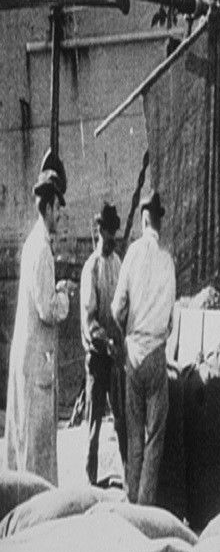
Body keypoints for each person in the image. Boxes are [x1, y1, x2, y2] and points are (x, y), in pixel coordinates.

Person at [4, 169, 70, 485]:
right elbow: (47, 308)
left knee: (23, 444)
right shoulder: (42, 249)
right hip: (36, 365)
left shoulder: (33, 244)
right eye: (57, 208)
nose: (60, 215)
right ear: (48, 207)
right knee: (36, 452)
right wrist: (64, 296)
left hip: (28, 358)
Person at [111, 191, 176, 505]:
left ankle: (131, 500)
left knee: (134, 434)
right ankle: (146, 503)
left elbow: (117, 307)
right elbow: (172, 319)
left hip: (133, 353)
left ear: (142, 219)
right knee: (155, 436)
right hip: (156, 354)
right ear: (159, 221)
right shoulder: (167, 260)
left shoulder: (132, 254)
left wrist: (127, 333)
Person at [80, 203, 127, 486]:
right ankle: (90, 481)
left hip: (114, 356)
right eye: (107, 234)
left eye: (114, 234)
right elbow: (89, 319)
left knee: (121, 419)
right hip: (97, 357)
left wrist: (121, 338)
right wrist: (105, 341)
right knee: (94, 423)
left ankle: (129, 478)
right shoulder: (91, 268)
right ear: (99, 232)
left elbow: (121, 307)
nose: (111, 239)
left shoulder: (118, 263)